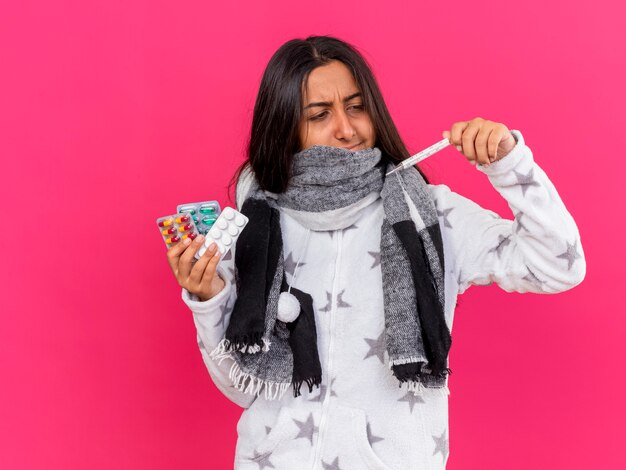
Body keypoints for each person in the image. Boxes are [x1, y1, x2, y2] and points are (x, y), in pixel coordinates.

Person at [165, 35, 586, 470]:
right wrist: (208, 300)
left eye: (356, 106)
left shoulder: (432, 215)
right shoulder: (255, 226)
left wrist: (510, 164)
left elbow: (559, 265)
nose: (346, 129)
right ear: (284, 124)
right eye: (319, 114)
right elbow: (244, 389)